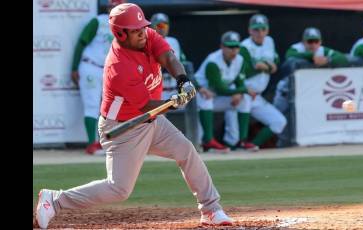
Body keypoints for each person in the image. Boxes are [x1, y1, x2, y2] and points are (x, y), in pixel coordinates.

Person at [35, 3, 233, 229]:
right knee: (118, 189)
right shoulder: (119, 66)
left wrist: (183, 81)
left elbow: (168, 57)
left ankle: (211, 209)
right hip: (125, 127)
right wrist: (174, 102)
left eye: (142, 27)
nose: (142, 32)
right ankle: (55, 200)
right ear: (120, 33)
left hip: (152, 120)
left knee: (186, 151)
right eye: (135, 29)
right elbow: (146, 105)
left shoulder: (147, 35)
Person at [273, 27, 349, 147]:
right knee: (277, 123)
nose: (313, 44)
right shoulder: (297, 48)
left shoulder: (323, 51)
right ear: (304, 42)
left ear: (320, 41)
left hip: (304, 96)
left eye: (315, 41)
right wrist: (311, 57)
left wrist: (328, 60)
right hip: (285, 93)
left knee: (295, 128)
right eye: (309, 41)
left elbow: (342, 58)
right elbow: (290, 55)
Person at [70, 0, 127, 155]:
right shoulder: (99, 21)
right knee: (92, 105)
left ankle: (108, 141)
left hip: (109, 71)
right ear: (108, 8)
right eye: (112, 6)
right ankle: (92, 144)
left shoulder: (124, 28)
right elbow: (82, 42)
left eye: (118, 7)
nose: (114, 9)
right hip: (91, 66)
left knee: (113, 108)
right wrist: (74, 67)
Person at [224, 14, 287, 149]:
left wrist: (264, 66)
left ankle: (252, 145)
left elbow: (275, 62)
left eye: (263, 29)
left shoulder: (269, 41)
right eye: (256, 29)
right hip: (241, 93)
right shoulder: (244, 46)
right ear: (250, 30)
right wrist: (266, 67)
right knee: (233, 136)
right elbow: (244, 71)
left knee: (279, 122)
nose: (260, 33)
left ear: (267, 30)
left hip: (256, 96)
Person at [195, 31, 259, 153]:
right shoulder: (213, 61)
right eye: (230, 47)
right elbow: (220, 89)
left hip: (217, 96)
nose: (233, 50)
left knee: (245, 99)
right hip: (196, 94)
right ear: (222, 47)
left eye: (236, 47)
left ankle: (242, 140)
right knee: (205, 97)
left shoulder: (240, 60)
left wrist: (239, 93)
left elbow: (240, 82)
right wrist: (243, 90)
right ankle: (208, 141)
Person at [150, 12, 187, 100]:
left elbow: (183, 63)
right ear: (152, 27)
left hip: (174, 90)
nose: (162, 29)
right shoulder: (146, 43)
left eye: (164, 26)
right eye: (159, 26)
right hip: (156, 91)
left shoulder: (173, 41)